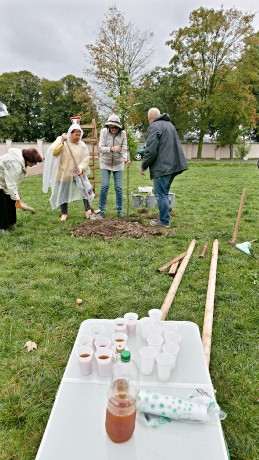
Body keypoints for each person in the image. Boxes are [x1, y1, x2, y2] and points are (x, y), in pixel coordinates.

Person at [140, 108, 188, 228]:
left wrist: (143, 166)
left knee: (160, 194)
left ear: (151, 118)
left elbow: (151, 150)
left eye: (148, 119)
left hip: (162, 166)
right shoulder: (169, 125)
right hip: (174, 165)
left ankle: (164, 221)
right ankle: (163, 217)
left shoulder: (154, 127)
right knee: (164, 193)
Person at [43, 123, 94, 221]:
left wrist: (81, 167)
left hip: (78, 173)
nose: (78, 137)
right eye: (76, 135)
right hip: (64, 173)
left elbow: (86, 157)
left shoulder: (82, 145)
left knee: (86, 190)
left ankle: (88, 211)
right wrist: (62, 141)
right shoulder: (63, 142)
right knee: (63, 193)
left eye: (80, 135)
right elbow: (55, 152)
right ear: (70, 133)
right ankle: (64, 213)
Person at [0, 147, 42, 234]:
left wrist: (16, 195)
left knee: (11, 200)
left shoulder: (20, 161)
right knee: (2, 203)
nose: (35, 164)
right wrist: (18, 199)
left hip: (4, 182)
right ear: (29, 159)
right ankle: (3, 228)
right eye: (35, 162)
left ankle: (12, 223)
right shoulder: (14, 164)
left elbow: (14, 181)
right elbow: (11, 184)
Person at [99, 114, 130, 218]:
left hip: (118, 163)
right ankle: (102, 210)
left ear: (119, 127)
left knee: (119, 188)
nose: (114, 129)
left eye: (116, 127)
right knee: (105, 186)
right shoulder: (103, 132)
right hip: (105, 162)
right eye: (112, 127)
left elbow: (125, 149)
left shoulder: (123, 134)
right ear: (108, 126)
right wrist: (111, 149)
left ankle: (120, 209)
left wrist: (126, 159)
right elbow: (101, 148)